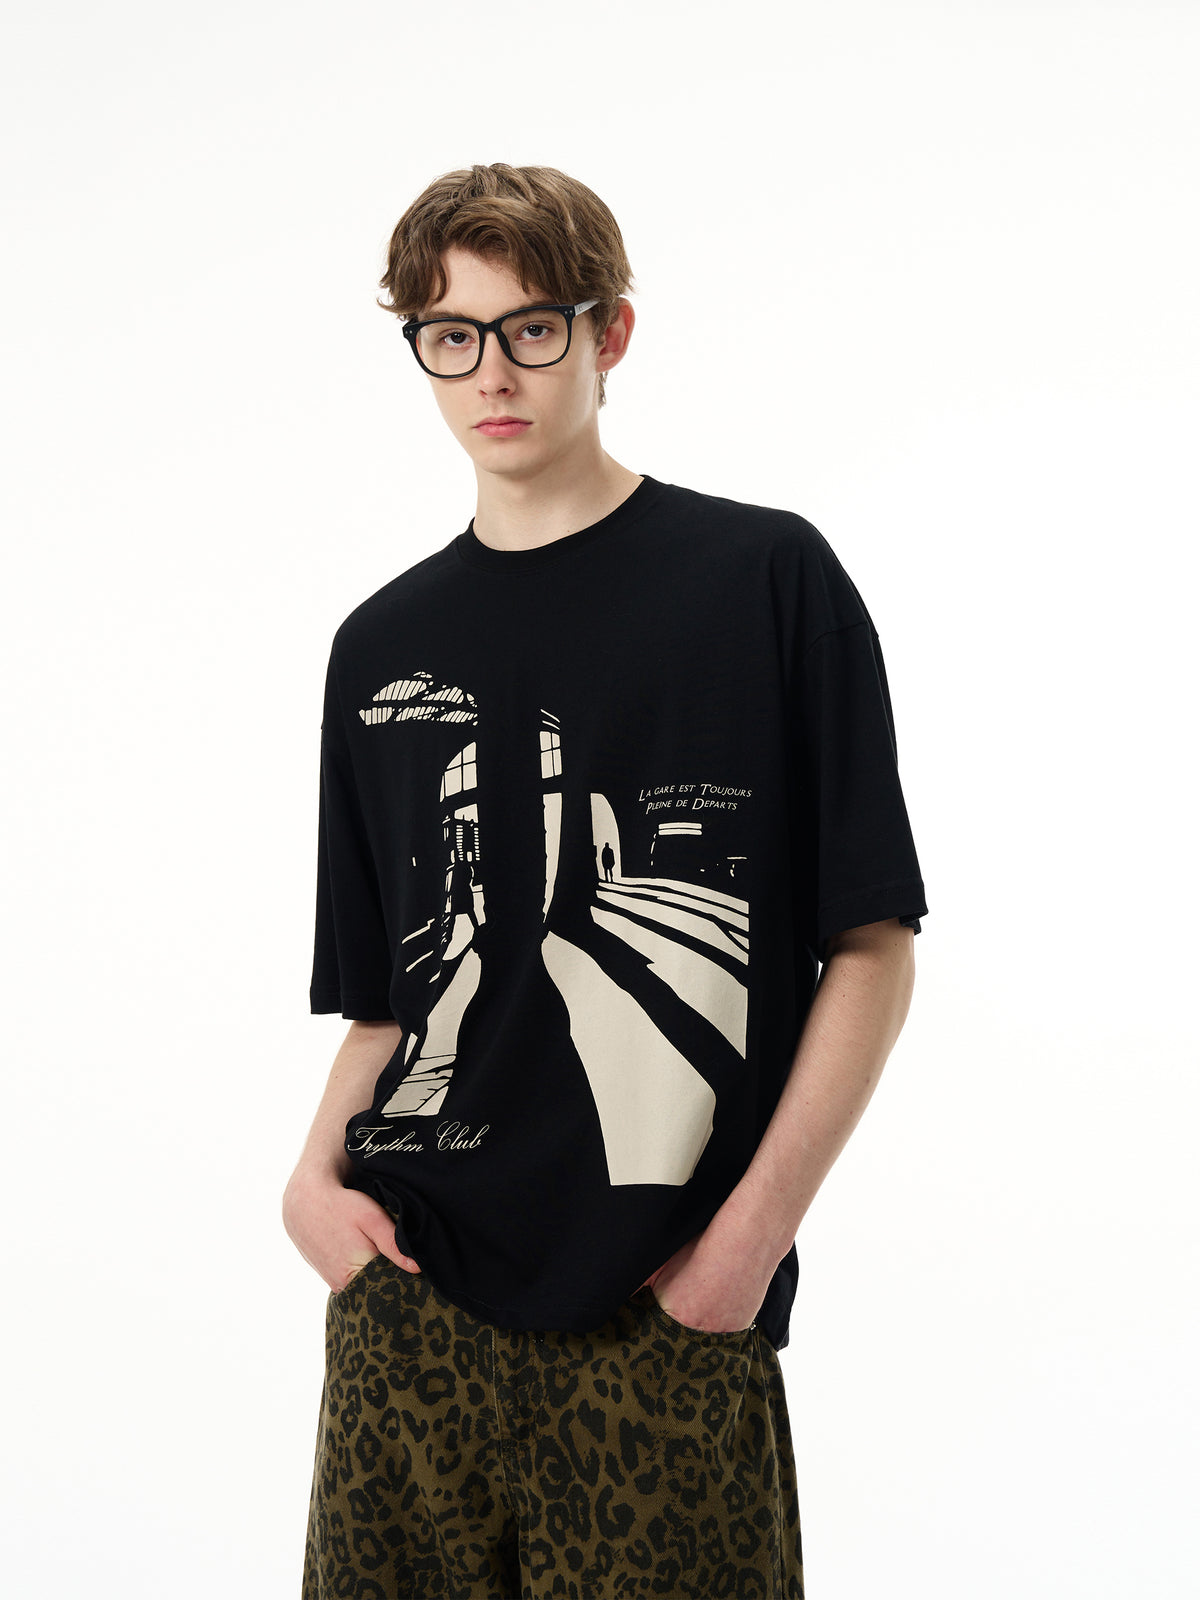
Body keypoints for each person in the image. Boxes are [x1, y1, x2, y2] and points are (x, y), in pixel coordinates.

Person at [282, 161, 927, 1600]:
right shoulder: (378, 644)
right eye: (450, 335)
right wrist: (310, 1186)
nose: (490, 373)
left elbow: (872, 944)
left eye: (531, 327)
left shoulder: (764, 578)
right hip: (408, 1313)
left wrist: (745, 1249)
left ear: (609, 332)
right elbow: (388, 996)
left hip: (664, 1315)